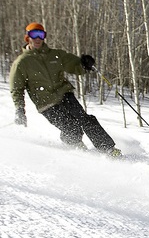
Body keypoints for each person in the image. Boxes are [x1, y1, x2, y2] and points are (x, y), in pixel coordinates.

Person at [10, 22, 121, 157]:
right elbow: (17, 88)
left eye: (41, 34)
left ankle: (108, 150)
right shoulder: (22, 62)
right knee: (71, 127)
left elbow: (75, 65)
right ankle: (76, 148)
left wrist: (85, 64)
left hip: (64, 94)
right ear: (27, 38)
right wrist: (19, 109)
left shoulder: (55, 55)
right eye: (34, 35)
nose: (38, 38)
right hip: (46, 104)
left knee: (84, 119)